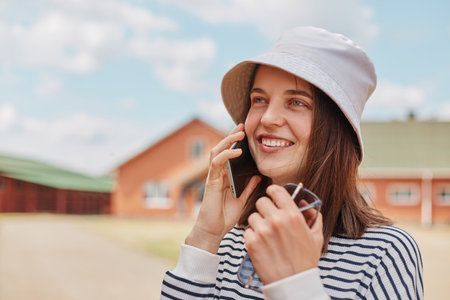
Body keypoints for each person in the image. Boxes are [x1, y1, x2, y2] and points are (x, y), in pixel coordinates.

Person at [160, 26, 423, 299]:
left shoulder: (385, 253)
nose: (268, 118)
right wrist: (205, 237)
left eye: (297, 102)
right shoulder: (229, 243)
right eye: (259, 99)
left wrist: (296, 285)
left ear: (337, 129)